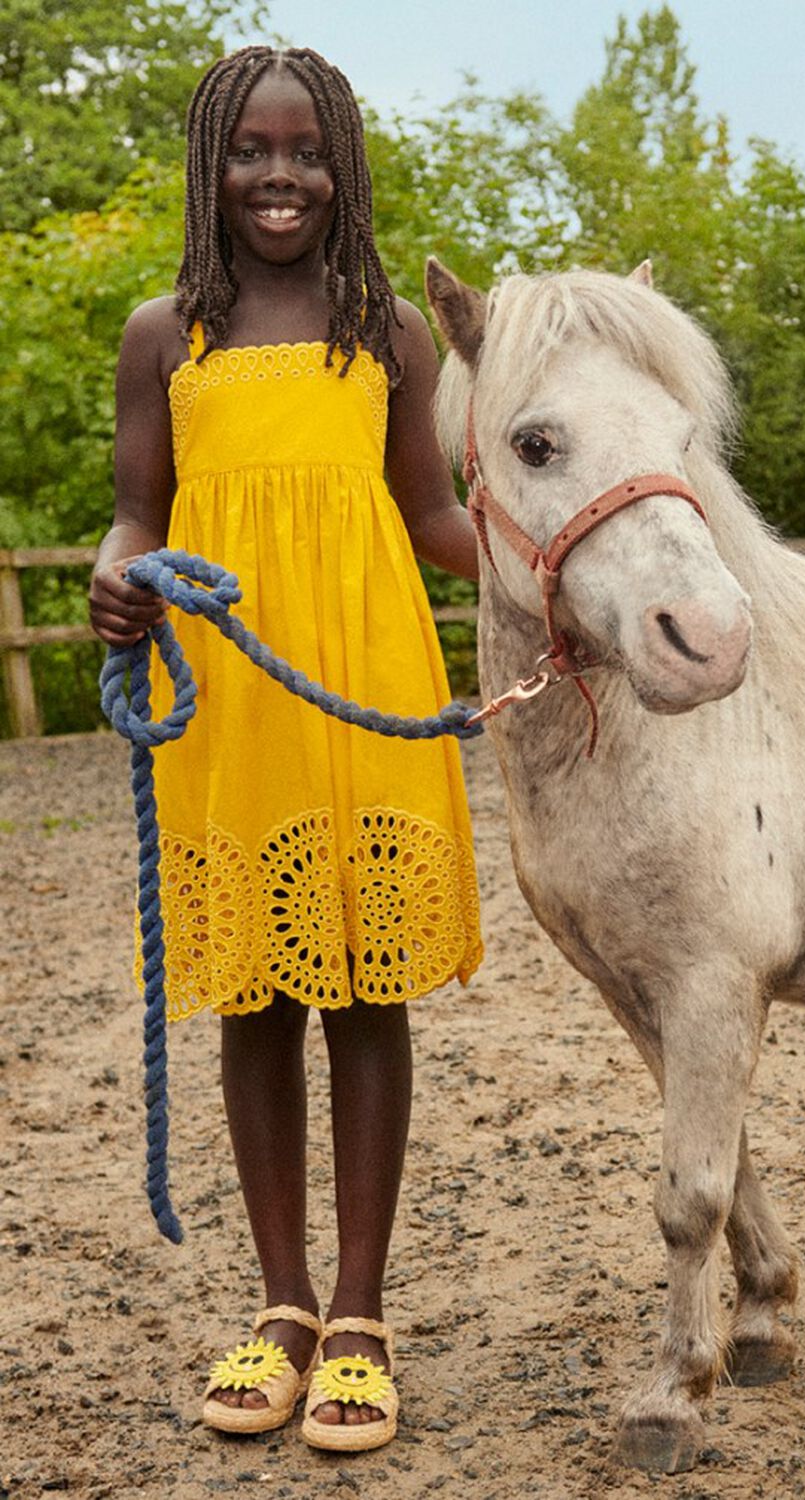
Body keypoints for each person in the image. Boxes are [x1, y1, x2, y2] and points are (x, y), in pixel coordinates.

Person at [88, 45, 484, 1454]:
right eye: (252, 150)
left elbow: (433, 513)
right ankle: (283, 1306)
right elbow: (140, 511)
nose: (279, 176)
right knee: (255, 997)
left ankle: (363, 1320)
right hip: (235, 701)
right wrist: (117, 571)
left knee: (369, 991)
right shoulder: (163, 336)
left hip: (363, 675)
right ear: (213, 163)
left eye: (307, 153)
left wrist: (552, 568)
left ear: (344, 170)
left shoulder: (384, 330)